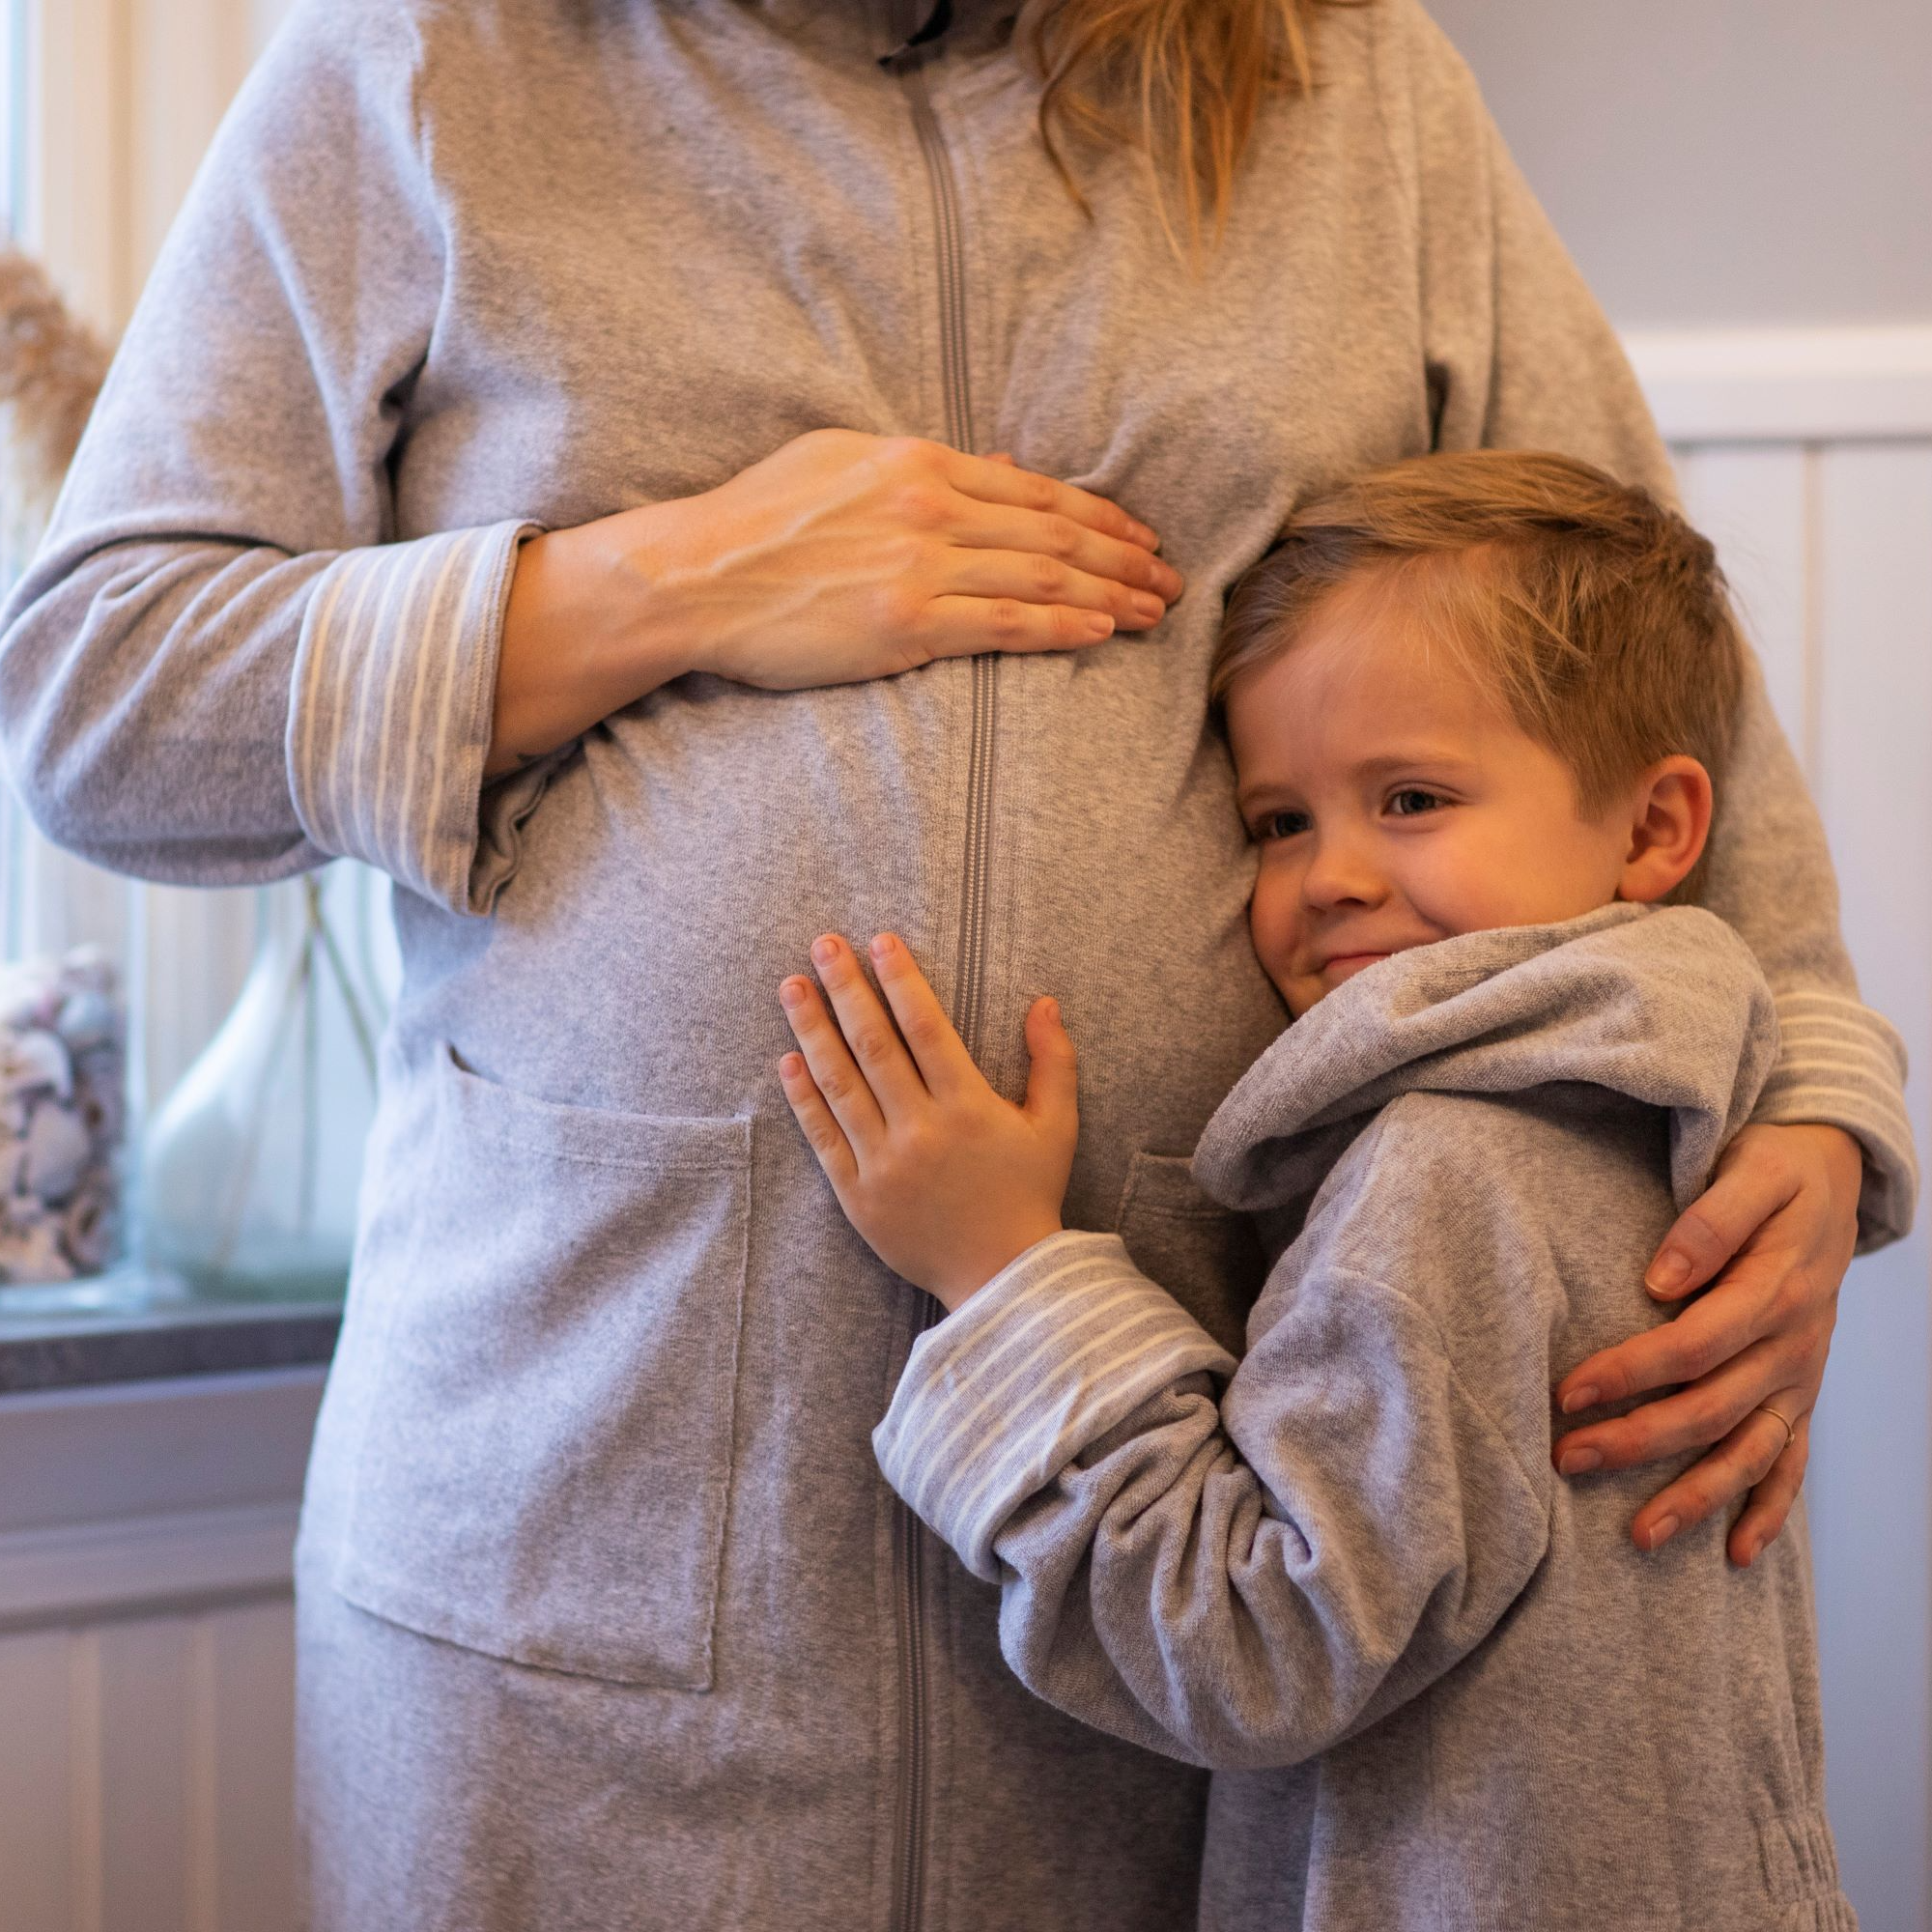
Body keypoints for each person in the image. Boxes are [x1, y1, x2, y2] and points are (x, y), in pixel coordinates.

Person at [0, 0, 1911, 1924]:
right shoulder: (419, 58)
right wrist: (678, 577)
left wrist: (1816, 1091)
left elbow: (1640, 660)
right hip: (583, 1592)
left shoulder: (1349, 82)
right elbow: (103, 704)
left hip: (1174, 1610)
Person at [773, 451, 1871, 1928]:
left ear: (1657, 830)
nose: (1332, 876)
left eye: (1410, 797)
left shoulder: (1449, 1174)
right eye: (1279, 819)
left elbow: (1256, 1649)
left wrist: (1009, 1275)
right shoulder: (1662, 1107)